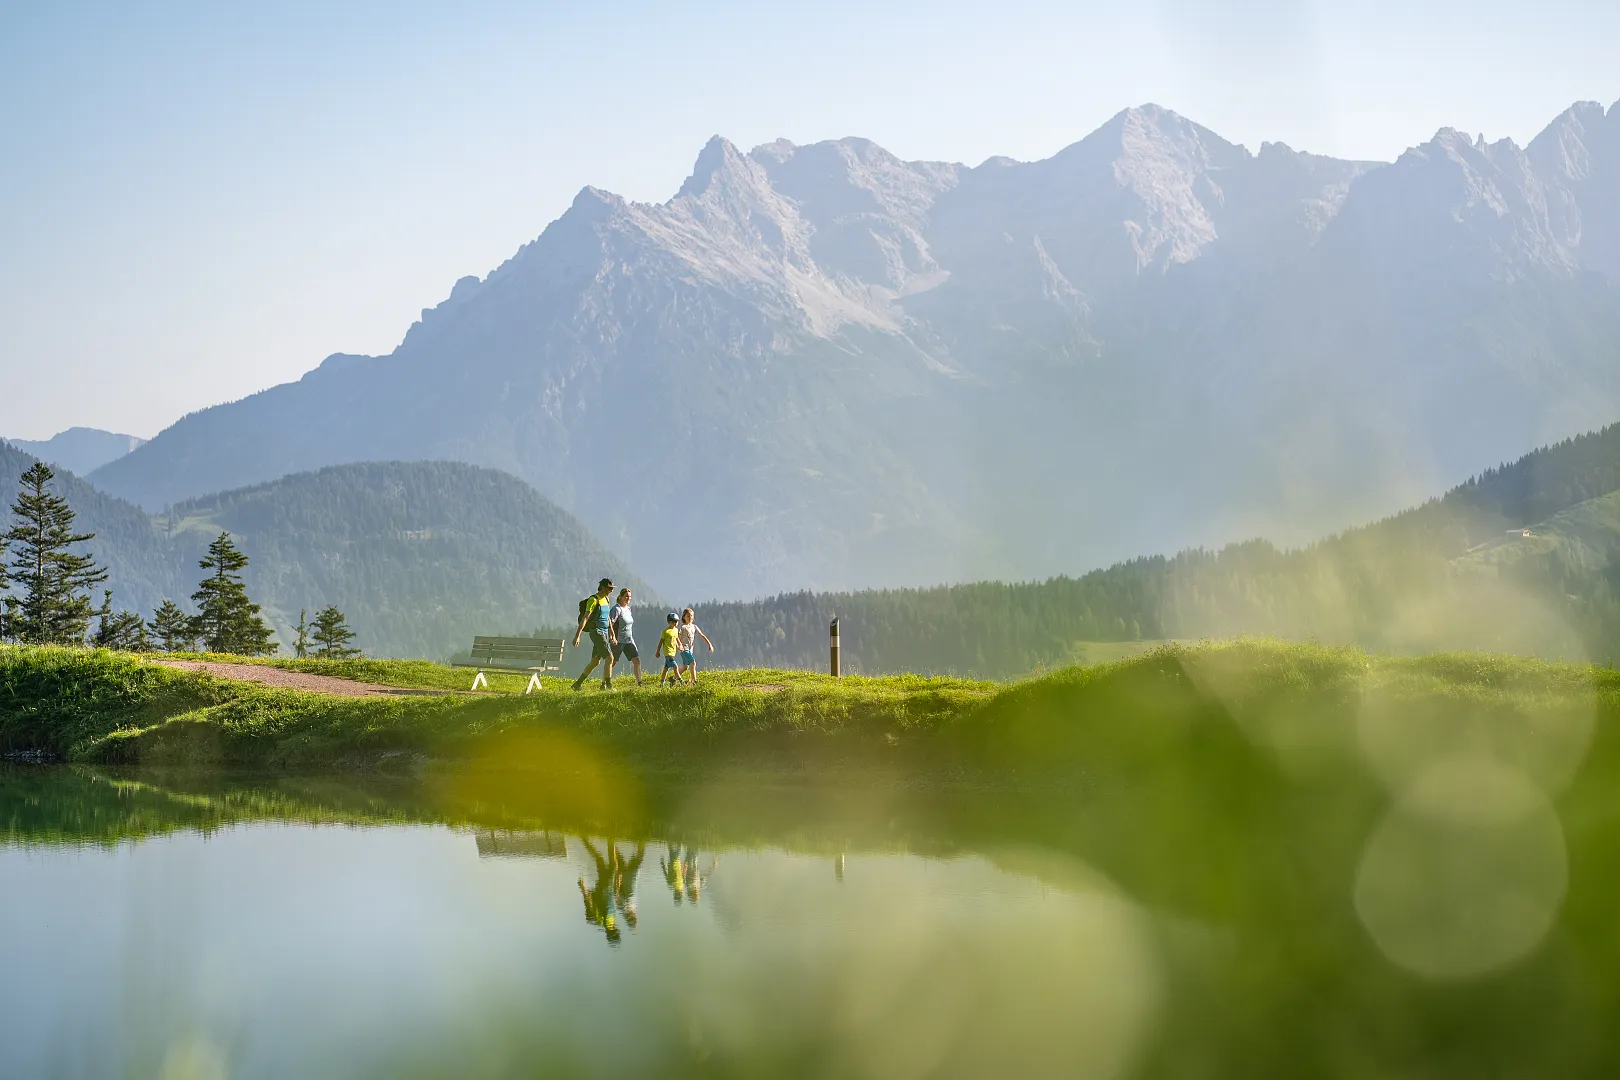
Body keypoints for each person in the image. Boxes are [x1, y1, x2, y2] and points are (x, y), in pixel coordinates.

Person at [572, 578, 616, 691]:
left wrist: (612, 633)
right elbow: (585, 618)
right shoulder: (593, 600)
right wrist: (577, 636)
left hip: (604, 632)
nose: (611, 591)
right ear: (602, 587)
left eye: (612, 588)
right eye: (609, 588)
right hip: (597, 632)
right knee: (610, 658)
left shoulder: (606, 599)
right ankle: (608, 686)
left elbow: (607, 617)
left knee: (595, 662)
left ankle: (577, 684)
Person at [607, 588, 642, 685]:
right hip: (618, 640)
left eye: (630, 597)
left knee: (636, 660)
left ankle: (640, 683)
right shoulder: (616, 609)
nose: (628, 598)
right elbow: (610, 624)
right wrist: (612, 637)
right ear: (621, 596)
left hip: (629, 640)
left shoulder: (628, 609)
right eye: (626, 596)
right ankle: (605, 682)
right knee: (613, 662)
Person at [675, 607, 713, 685]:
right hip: (683, 649)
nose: (690, 617)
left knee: (685, 667)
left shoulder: (694, 626)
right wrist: (678, 646)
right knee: (693, 663)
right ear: (684, 617)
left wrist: (709, 644)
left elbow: (702, 635)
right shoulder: (682, 627)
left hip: (690, 650)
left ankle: (673, 678)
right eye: (688, 616)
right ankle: (694, 681)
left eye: (691, 616)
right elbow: (676, 637)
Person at [656, 613, 681, 688]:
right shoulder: (666, 631)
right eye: (673, 621)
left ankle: (661, 684)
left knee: (665, 669)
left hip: (673, 652)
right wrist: (658, 651)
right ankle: (682, 682)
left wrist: (679, 646)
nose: (675, 623)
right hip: (668, 653)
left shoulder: (676, 630)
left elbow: (676, 639)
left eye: (676, 621)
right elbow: (661, 642)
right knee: (675, 667)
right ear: (669, 622)